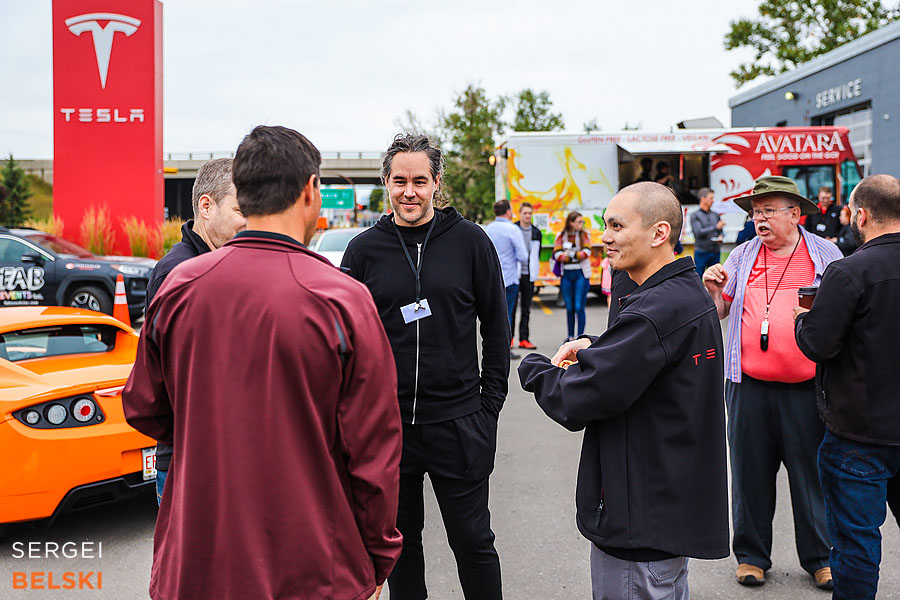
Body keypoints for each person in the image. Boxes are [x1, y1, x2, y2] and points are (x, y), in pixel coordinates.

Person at [123, 126, 403, 600]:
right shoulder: (342, 299)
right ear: (311, 192)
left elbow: (144, 407)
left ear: (246, 195)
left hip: (198, 563)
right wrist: (377, 557)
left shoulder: (180, 287)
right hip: (315, 566)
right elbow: (373, 452)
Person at [519, 182, 729, 600]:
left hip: (642, 519)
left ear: (659, 233)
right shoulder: (684, 294)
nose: (605, 236)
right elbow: (646, 359)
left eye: (616, 225)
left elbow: (581, 398)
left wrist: (536, 367)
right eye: (604, 224)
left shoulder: (658, 310)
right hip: (665, 507)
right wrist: (598, 346)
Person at [341, 133, 508, 600]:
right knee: (400, 549)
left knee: (474, 544)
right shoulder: (363, 251)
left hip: (459, 422)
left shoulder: (471, 242)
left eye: (419, 180)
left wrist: (488, 407)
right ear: (387, 185)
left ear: (437, 183)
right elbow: (347, 341)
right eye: (399, 181)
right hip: (389, 428)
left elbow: (496, 329)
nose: (409, 191)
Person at [702, 175, 841, 589]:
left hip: (807, 387)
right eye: (755, 211)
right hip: (748, 386)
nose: (759, 218)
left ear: (795, 214)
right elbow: (720, 311)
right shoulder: (742, 255)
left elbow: (842, 313)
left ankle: (820, 557)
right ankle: (751, 556)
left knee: (812, 476)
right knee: (749, 473)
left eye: (768, 210)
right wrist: (712, 289)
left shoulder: (826, 255)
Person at [793, 174, 900, 600]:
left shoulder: (850, 270)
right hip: (870, 429)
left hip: (859, 434)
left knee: (856, 548)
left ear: (861, 215)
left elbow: (818, 343)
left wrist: (803, 319)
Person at [144, 157, 246, 506]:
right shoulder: (182, 273)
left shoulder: (220, 262)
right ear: (207, 206)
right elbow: (178, 379)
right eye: (240, 209)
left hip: (222, 457)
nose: (250, 221)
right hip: (191, 463)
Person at [485, 199, 528, 359]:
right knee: (507, 313)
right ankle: (506, 348)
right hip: (509, 278)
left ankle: (494, 349)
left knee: (492, 314)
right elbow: (523, 256)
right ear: (508, 212)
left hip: (491, 279)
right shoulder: (512, 229)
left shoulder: (489, 229)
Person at [553, 212, 591, 341]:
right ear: (571, 223)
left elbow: (586, 252)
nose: (581, 224)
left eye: (582, 222)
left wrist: (569, 255)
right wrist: (575, 255)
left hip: (581, 273)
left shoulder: (584, 235)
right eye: (579, 222)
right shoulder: (561, 236)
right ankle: (570, 337)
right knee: (569, 307)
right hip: (567, 274)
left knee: (579, 306)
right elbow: (557, 255)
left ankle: (580, 337)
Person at [512, 201, 541, 349]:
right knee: (511, 309)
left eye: (530, 213)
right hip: (514, 275)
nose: (528, 216)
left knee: (526, 309)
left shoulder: (536, 232)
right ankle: (509, 339)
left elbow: (537, 255)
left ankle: (524, 338)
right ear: (520, 214)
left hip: (528, 275)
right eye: (525, 213)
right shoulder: (513, 229)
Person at [690, 188, 725, 275]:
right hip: (701, 251)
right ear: (703, 199)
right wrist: (715, 227)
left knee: (716, 277)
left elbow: (721, 231)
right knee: (698, 277)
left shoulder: (715, 215)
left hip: (715, 251)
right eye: (711, 198)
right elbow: (698, 232)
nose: (713, 201)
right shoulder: (695, 215)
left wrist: (721, 236)